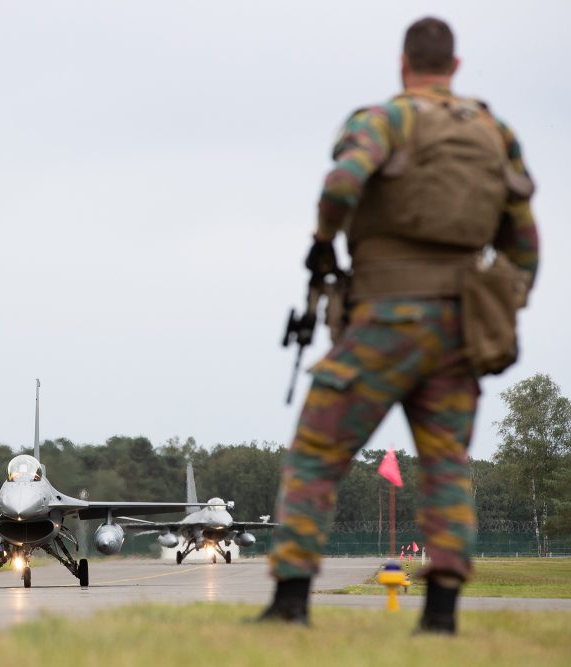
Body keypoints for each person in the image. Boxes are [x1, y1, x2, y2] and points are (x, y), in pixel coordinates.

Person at [260, 17, 539, 634]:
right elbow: (525, 243)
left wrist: (323, 241)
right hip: (460, 328)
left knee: (316, 452)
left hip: (385, 321)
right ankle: (441, 616)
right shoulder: (495, 133)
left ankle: (291, 602)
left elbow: (342, 183)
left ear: (403, 62)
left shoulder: (386, 120)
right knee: (446, 467)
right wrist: (499, 309)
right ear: (455, 67)